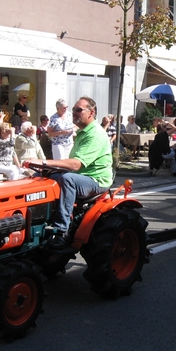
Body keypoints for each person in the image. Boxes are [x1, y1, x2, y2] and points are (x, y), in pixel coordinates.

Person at [23, 96, 112, 249]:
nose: (75, 113)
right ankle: (34, 222)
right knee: (40, 176)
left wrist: (44, 162)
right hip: (81, 176)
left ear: (91, 112)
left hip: (95, 180)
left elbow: (76, 164)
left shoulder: (95, 134)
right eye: (73, 110)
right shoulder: (82, 132)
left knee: (68, 179)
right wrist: (45, 168)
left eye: (79, 110)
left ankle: (61, 230)